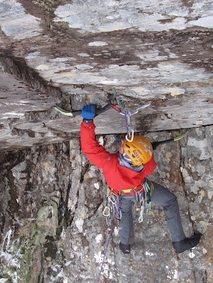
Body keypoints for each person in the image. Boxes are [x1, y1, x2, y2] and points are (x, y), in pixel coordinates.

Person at [80, 104, 201, 254]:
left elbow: (90, 148)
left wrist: (87, 122)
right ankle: (179, 242)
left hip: (119, 194)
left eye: (124, 145)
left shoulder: (110, 163)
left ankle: (125, 245)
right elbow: (149, 161)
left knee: (125, 214)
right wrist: (148, 149)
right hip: (141, 191)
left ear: (125, 154)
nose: (122, 143)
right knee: (169, 200)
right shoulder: (145, 166)